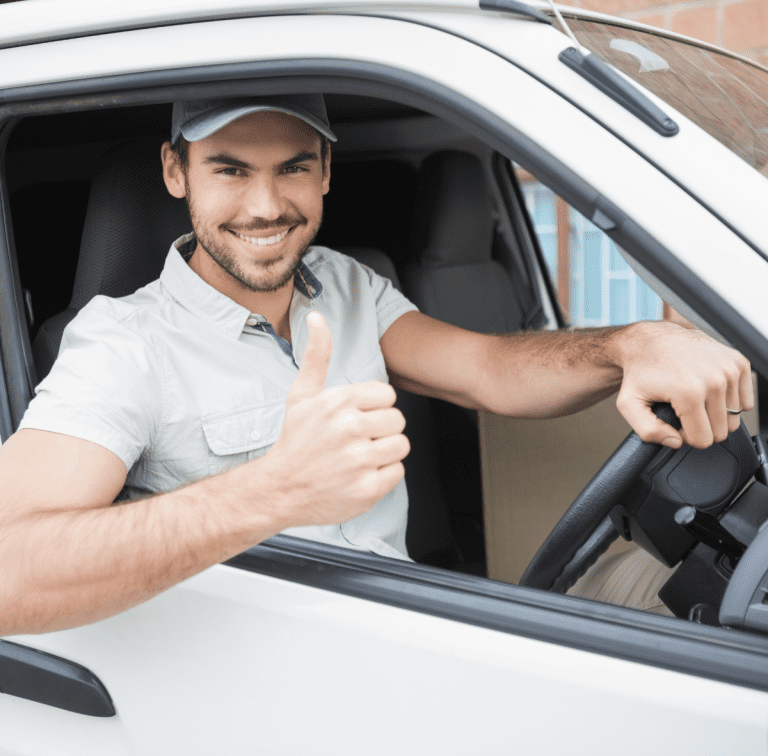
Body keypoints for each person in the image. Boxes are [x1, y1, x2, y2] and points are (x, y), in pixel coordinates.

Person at [0, 94, 753, 636]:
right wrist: (270, 492)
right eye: (229, 171)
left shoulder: (345, 281)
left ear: (326, 170)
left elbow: (489, 369)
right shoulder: (121, 343)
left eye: (293, 168)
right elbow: (11, 571)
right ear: (175, 172)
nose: (265, 206)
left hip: (413, 619)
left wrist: (628, 346)